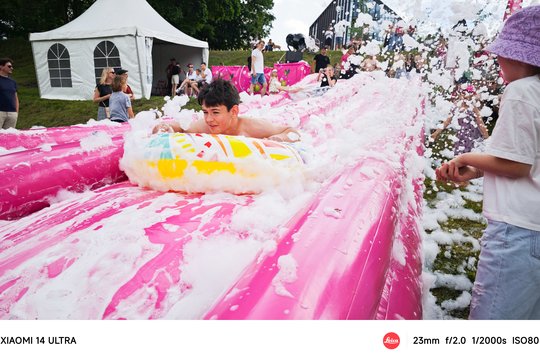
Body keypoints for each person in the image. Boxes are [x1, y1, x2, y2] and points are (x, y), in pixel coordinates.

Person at [436, 5, 540, 320]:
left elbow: (517, 165)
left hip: (516, 231)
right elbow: (524, 155)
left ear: (519, 57)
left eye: (500, 55)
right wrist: (476, 170)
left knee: (492, 326)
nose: (497, 62)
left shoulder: (521, 92)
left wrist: (465, 157)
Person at [153, 78, 299, 142]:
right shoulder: (204, 127)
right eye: (205, 112)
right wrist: (164, 127)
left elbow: (291, 131)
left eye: (215, 112)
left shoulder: (253, 128)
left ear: (234, 111)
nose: (209, 119)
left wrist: (279, 139)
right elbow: (179, 128)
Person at [431, 85, 489, 155]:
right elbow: (447, 121)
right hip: (461, 135)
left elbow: (480, 123)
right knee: (461, 153)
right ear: (460, 94)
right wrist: (436, 133)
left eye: (468, 95)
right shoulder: (456, 107)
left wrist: (487, 138)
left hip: (473, 135)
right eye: (463, 94)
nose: (465, 97)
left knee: (473, 153)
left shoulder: (472, 107)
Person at [0, 58, 19, 129]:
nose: (12, 68)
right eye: (9, 66)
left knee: (9, 137)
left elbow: (15, 97)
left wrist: (16, 113)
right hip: (0, 112)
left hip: (12, 113)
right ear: (1, 67)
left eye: (11, 66)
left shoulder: (13, 82)